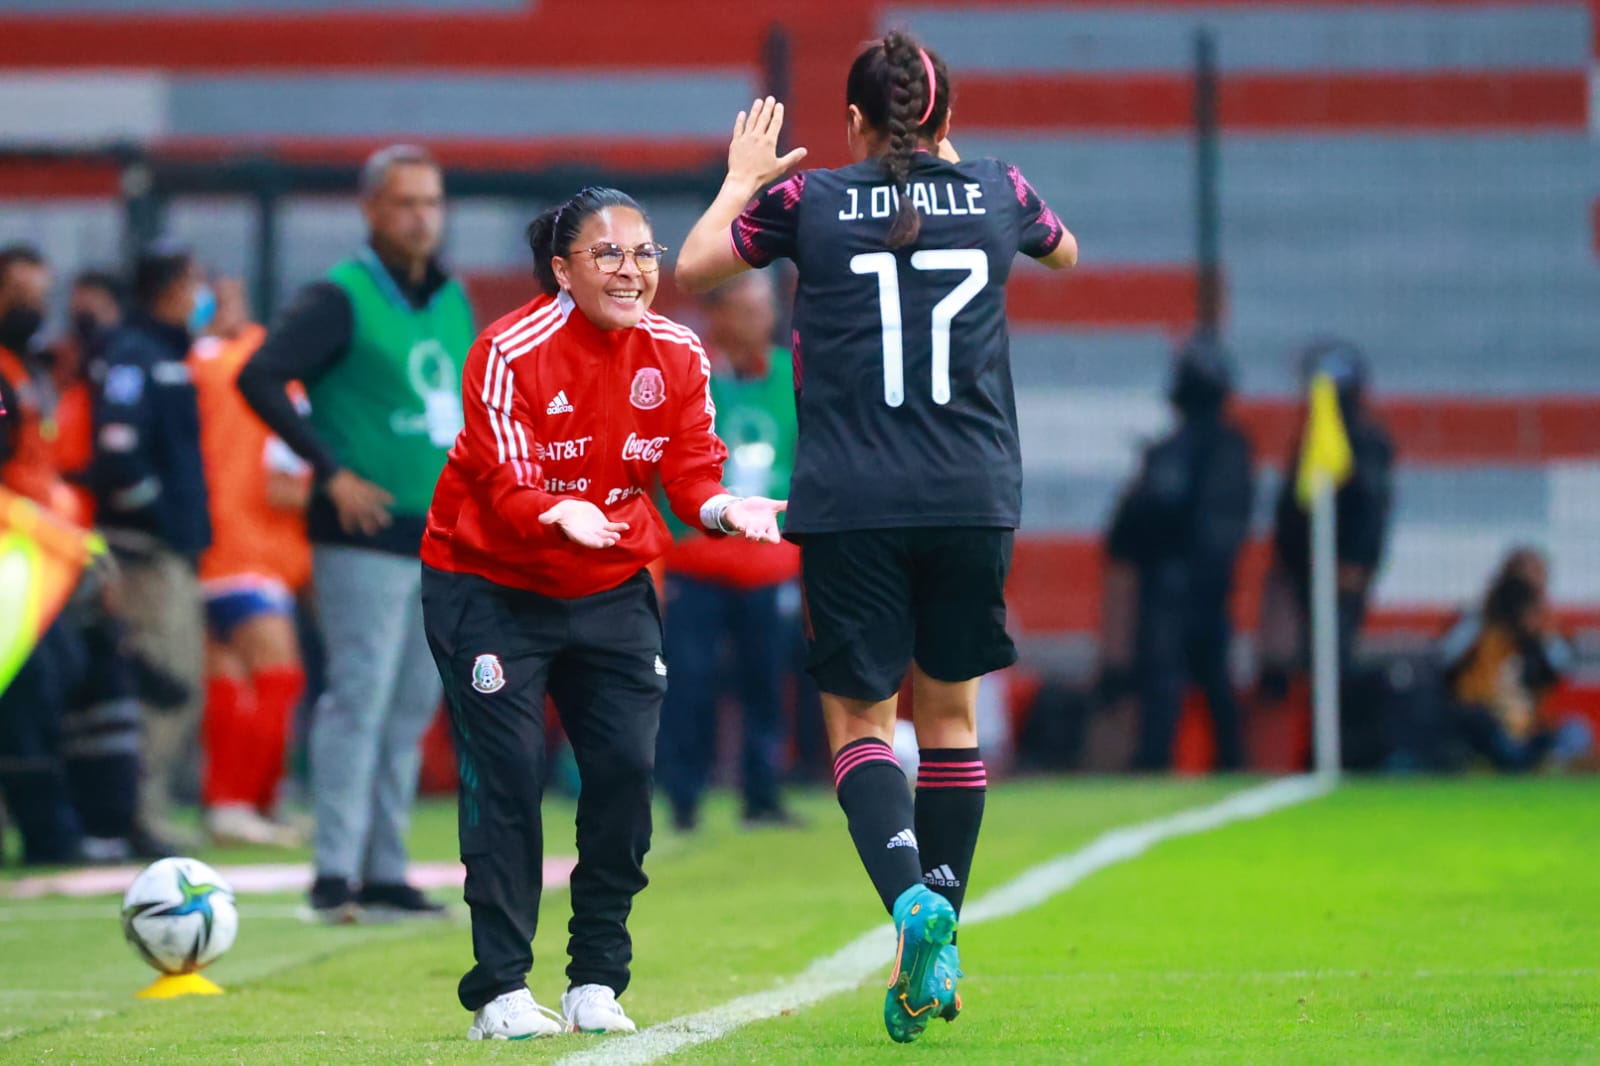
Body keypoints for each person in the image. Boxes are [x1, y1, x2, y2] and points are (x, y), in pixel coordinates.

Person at [676, 29, 1077, 1043]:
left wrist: (737, 180)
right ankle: (936, 921)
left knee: (860, 727)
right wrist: (955, 175)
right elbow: (1064, 249)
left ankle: (908, 900)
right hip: (971, 491)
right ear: (948, 116)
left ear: (853, 122)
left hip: (852, 500)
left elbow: (692, 269)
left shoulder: (806, 203)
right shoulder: (1001, 189)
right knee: (947, 719)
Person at [421, 185, 785, 1041]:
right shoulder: (507, 350)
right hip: (490, 582)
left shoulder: (679, 354)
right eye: (608, 254)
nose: (632, 271)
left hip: (610, 583)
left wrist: (729, 510)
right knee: (509, 774)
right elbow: (504, 484)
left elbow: (692, 474)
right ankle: (502, 991)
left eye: (645, 253)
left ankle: (596, 981)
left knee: (624, 770)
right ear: (561, 268)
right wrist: (556, 509)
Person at [239, 144, 473, 922]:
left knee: (412, 704)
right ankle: (333, 873)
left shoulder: (450, 298)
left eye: (432, 202)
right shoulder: (339, 296)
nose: (421, 217)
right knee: (359, 696)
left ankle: (385, 868)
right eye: (405, 202)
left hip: (437, 532)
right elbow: (260, 374)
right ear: (371, 210)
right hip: (362, 534)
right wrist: (328, 469)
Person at [656, 271, 805, 832]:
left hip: (769, 565)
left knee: (767, 685)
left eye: (764, 308)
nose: (759, 320)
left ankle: (763, 794)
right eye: (746, 309)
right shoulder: (689, 379)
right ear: (716, 315)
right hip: (698, 563)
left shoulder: (792, 382)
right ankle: (683, 796)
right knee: (689, 683)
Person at [90, 240, 214, 847]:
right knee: (161, 678)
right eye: (196, 283)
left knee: (173, 680)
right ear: (170, 289)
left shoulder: (163, 353)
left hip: (167, 550)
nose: (202, 296)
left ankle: (142, 806)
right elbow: (117, 452)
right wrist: (156, 521)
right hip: (144, 552)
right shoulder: (137, 355)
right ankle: (137, 811)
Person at [192, 278, 310, 846]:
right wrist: (343, 488)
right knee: (279, 676)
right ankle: (245, 801)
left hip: (202, 549)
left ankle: (232, 805)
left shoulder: (191, 367)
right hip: (252, 553)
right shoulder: (272, 377)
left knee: (230, 684)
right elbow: (284, 486)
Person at [1105, 334, 1254, 771]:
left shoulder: (1177, 455)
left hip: (1178, 593)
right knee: (1193, 691)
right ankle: (1224, 767)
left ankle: (1176, 768)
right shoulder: (1231, 452)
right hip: (1196, 592)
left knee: (1178, 691)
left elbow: (1125, 534)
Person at [1260, 339, 1396, 703]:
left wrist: (1353, 564)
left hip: (1338, 575)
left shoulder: (1364, 444)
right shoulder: (1312, 443)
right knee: (1304, 666)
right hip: (1307, 571)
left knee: (1333, 664)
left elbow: (1370, 509)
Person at [1439, 548, 1593, 771]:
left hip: (1528, 728)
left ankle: (1546, 764)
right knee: (1475, 731)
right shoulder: (1478, 621)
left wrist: (1542, 627)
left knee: (1576, 730)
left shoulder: (1543, 628)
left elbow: (1564, 666)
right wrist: (1485, 611)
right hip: (1486, 725)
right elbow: (1445, 655)